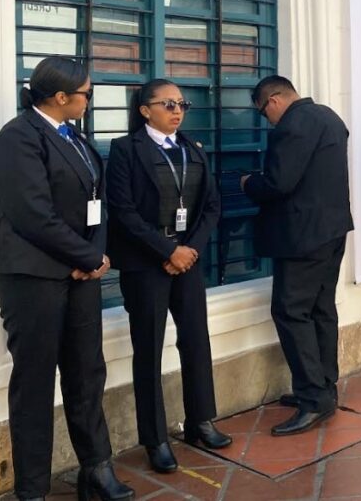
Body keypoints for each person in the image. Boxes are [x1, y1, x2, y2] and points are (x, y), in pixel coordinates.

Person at [0, 56, 133, 501]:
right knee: (34, 382)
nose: (91, 100)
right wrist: (84, 256)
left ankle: (96, 469)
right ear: (61, 96)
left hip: (81, 275)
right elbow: (31, 214)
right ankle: (32, 489)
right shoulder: (17, 138)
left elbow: (97, 204)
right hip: (34, 279)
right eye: (87, 93)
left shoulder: (76, 138)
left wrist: (95, 256)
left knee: (87, 372)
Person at [106, 80, 231, 474]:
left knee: (195, 340)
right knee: (149, 350)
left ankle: (200, 421)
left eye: (182, 104)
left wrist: (188, 250)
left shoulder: (193, 148)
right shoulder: (126, 150)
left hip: (187, 261)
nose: (177, 111)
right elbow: (123, 212)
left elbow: (211, 206)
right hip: (146, 264)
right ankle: (155, 438)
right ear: (145, 110)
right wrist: (166, 251)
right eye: (168, 104)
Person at [241, 76, 354, 435]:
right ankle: (324, 387)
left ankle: (313, 398)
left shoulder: (293, 125)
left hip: (302, 237)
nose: (267, 120)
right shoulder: (329, 116)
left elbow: (279, 182)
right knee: (321, 309)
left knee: (290, 311)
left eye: (264, 113)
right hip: (332, 230)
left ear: (274, 100)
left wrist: (248, 183)